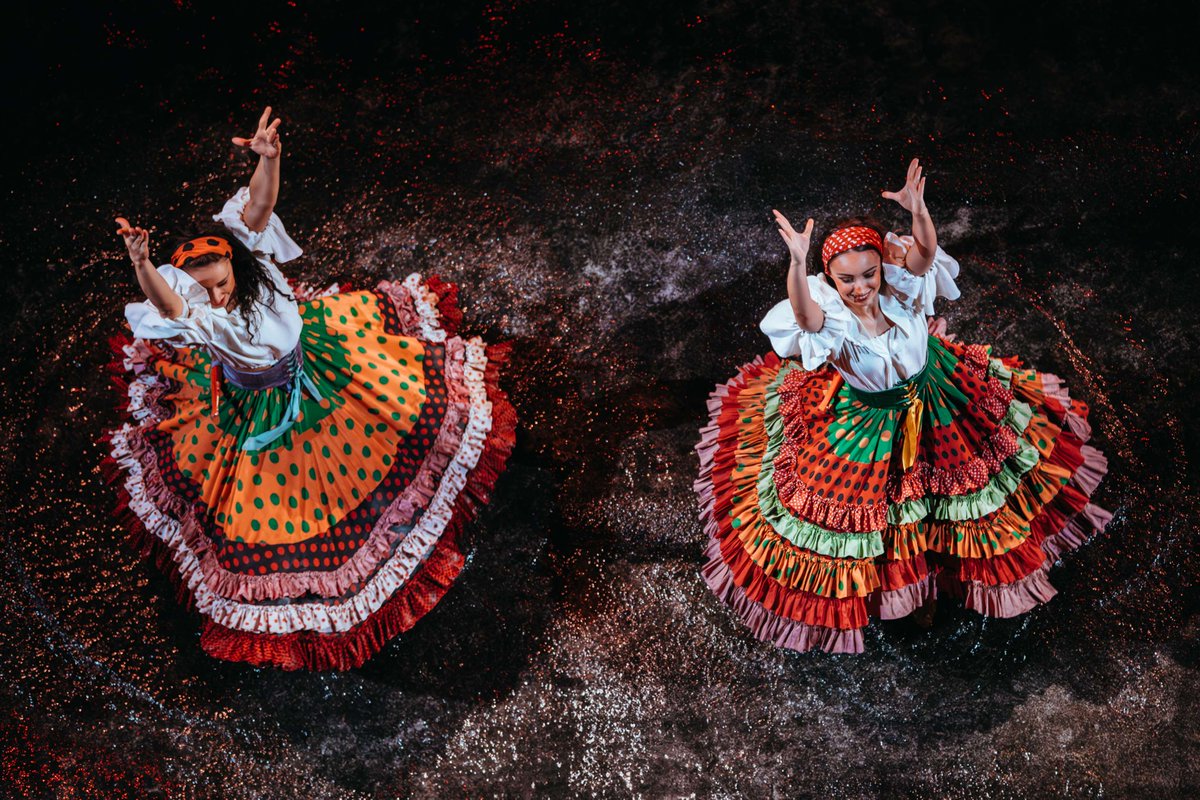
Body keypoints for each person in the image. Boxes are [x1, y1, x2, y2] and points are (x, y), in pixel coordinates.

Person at [103, 107, 517, 670]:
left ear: (235, 268)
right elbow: (167, 302)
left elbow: (259, 206)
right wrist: (143, 263)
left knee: (393, 419)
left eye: (221, 284)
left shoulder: (249, 259)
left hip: (319, 362)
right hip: (260, 400)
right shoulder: (198, 311)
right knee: (300, 499)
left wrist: (269, 160)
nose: (216, 297)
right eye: (205, 291)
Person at [695, 159, 1111, 652]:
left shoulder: (901, 293)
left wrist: (918, 212)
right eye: (846, 280)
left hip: (939, 396)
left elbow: (925, 254)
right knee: (888, 512)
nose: (860, 286)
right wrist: (795, 264)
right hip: (872, 422)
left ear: (879, 267)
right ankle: (911, 587)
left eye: (868, 274)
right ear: (829, 278)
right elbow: (805, 319)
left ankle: (944, 574)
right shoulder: (834, 322)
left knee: (959, 494)